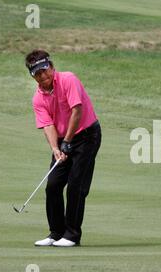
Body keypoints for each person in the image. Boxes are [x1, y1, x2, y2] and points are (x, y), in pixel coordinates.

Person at [25, 49, 101, 247]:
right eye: (38, 74)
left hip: (86, 136)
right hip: (62, 140)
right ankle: (56, 233)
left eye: (45, 70)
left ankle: (72, 235)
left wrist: (66, 141)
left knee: (76, 186)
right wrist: (56, 148)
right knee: (53, 185)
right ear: (33, 76)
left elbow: (77, 110)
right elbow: (48, 125)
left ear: (51, 66)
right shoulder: (38, 98)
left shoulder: (68, 79)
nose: (43, 76)